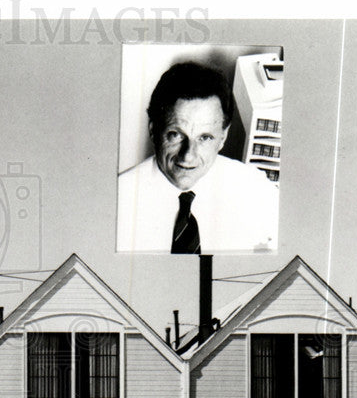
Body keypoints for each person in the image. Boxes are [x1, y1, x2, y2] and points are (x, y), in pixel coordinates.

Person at [116, 61, 279, 254]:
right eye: (175, 134)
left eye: (205, 138)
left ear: (222, 138)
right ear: (154, 130)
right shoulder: (117, 202)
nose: (188, 155)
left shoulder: (256, 190)